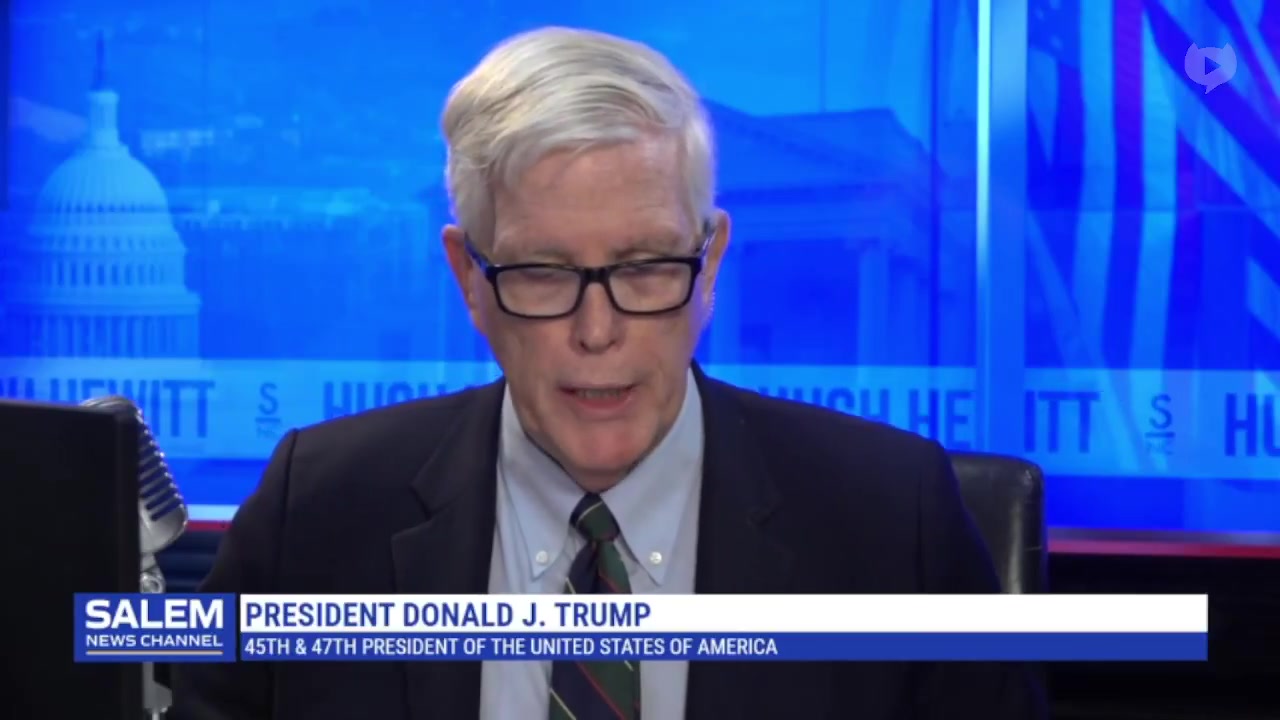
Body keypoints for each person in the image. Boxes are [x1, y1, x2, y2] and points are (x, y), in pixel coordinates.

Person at [170, 26, 1046, 720]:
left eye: (646, 267)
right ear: (469, 279)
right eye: (543, 273)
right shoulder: (317, 508)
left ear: (710, 264)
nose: (598, 332)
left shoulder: (894, 522)